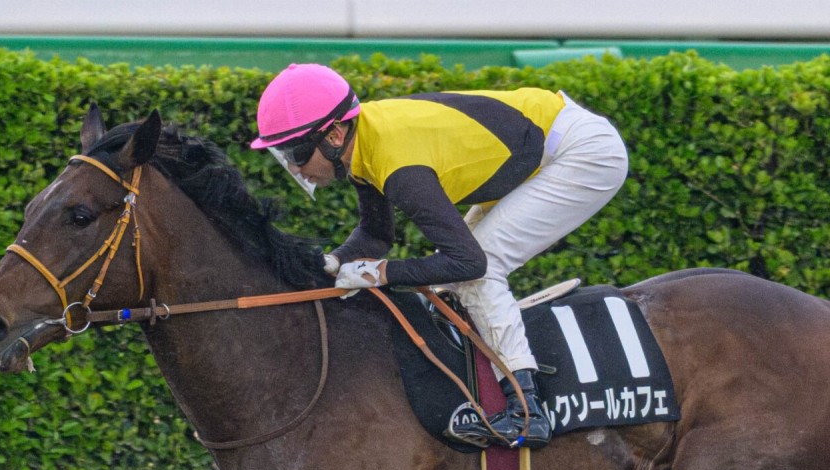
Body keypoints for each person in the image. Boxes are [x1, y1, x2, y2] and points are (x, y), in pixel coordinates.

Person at [250, 63, 628, 449]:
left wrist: (380, 273)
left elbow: (469, 263)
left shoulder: (399, 165)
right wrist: (329, 264)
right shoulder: (363, 143)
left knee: (478, 272)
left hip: (582, 154)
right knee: (454, 278)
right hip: (538, 149)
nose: (296, 167)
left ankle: (526, 411)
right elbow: (377, 235)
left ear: (333, 134)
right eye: (284, 155)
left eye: (297, 152)